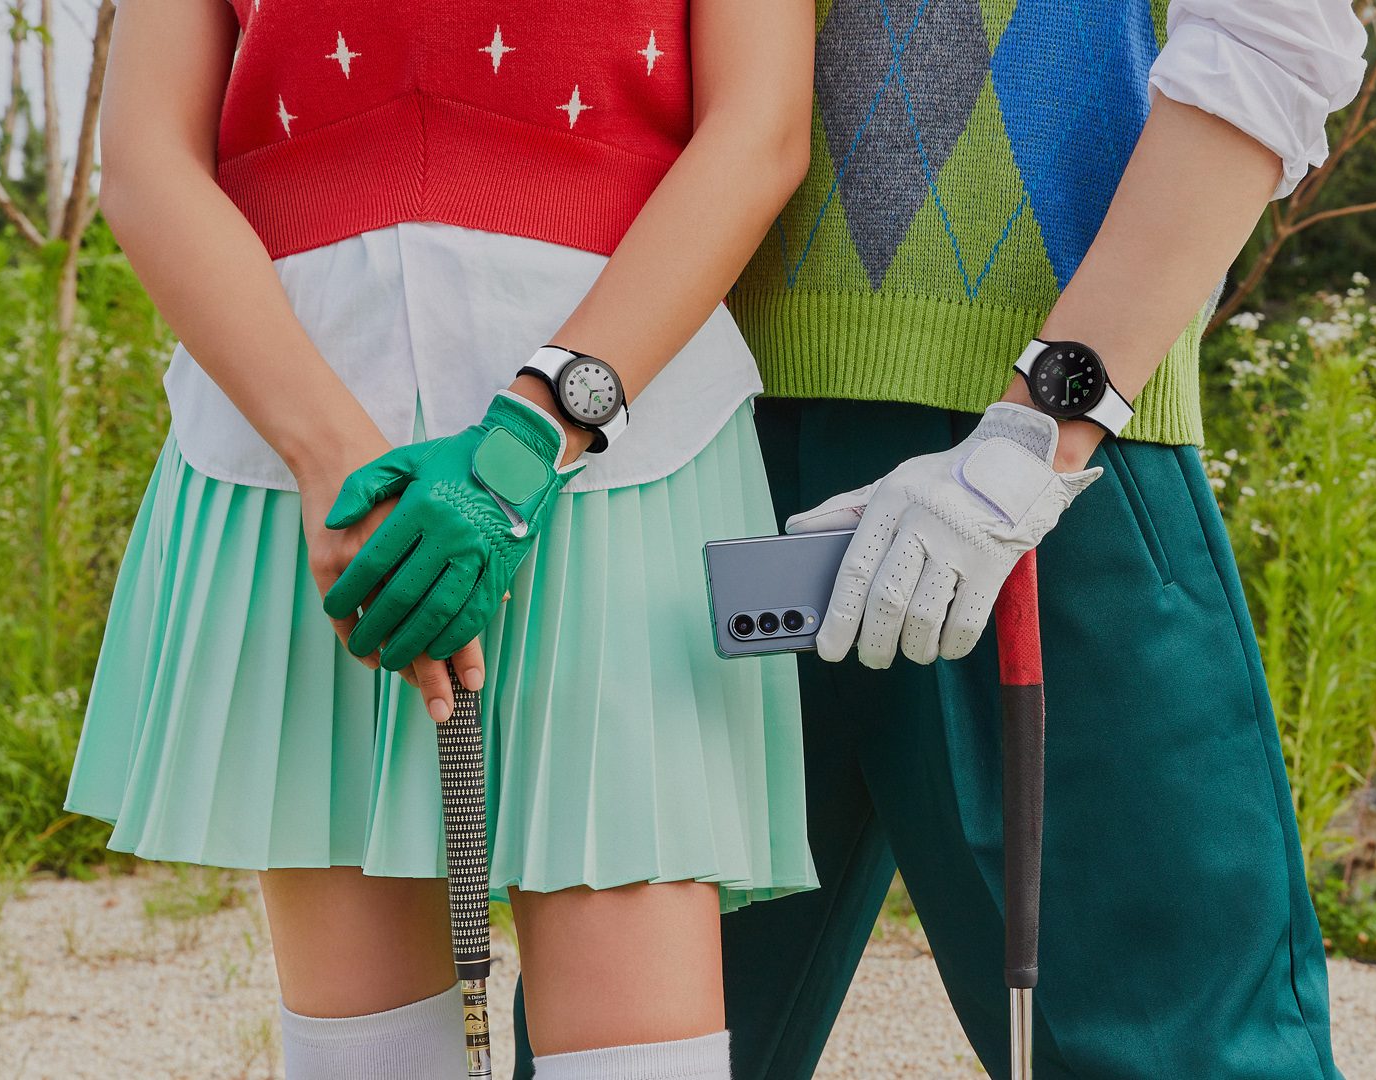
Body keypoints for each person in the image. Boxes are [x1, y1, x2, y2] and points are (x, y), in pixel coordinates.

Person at [529, 1, 1366, 1076]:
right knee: (620, 1050)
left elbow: (1270, 39)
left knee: (1168, 1049)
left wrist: (1037, 432)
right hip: (690, 447)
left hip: (1043, 482)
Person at [63, 2, 816, 1078]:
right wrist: (334, 464)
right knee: (367, 1055)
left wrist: (526, 445)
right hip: (298, 421)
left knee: (638, 1050)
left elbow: (760, 130)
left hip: (624, 422)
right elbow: (142, 158)